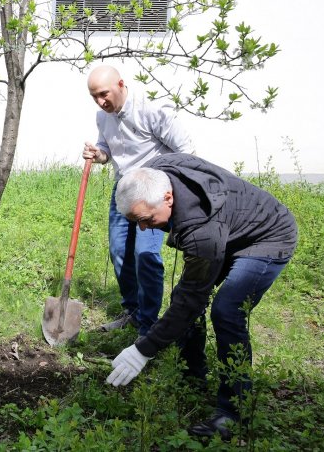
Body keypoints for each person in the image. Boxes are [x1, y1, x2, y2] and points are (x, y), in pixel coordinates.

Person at [105, 153, 297, 440]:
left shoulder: (201, 231)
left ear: (168, 198)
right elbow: (188, 297)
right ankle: (192, 375)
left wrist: (144, 349)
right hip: (228, 228)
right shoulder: (155, 172)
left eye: (146, 220)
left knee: (227, 310)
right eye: (136, 222)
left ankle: (233, 413)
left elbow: (192, 298)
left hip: (267, 236)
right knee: (185, 298)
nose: (144, 228)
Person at [82, 65, 194, 336]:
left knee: (145, 254)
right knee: (119, 251)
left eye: (104, 94)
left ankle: (148, 325)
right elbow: (107, 149)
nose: (100, 101)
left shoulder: (152, 110)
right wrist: (99, 155)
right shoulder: (103, 117)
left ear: (121, 84)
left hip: (152, 193)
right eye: (94, 96)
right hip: (123, 189)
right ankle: (132, 311)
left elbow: (187, 152)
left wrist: (172, 189)